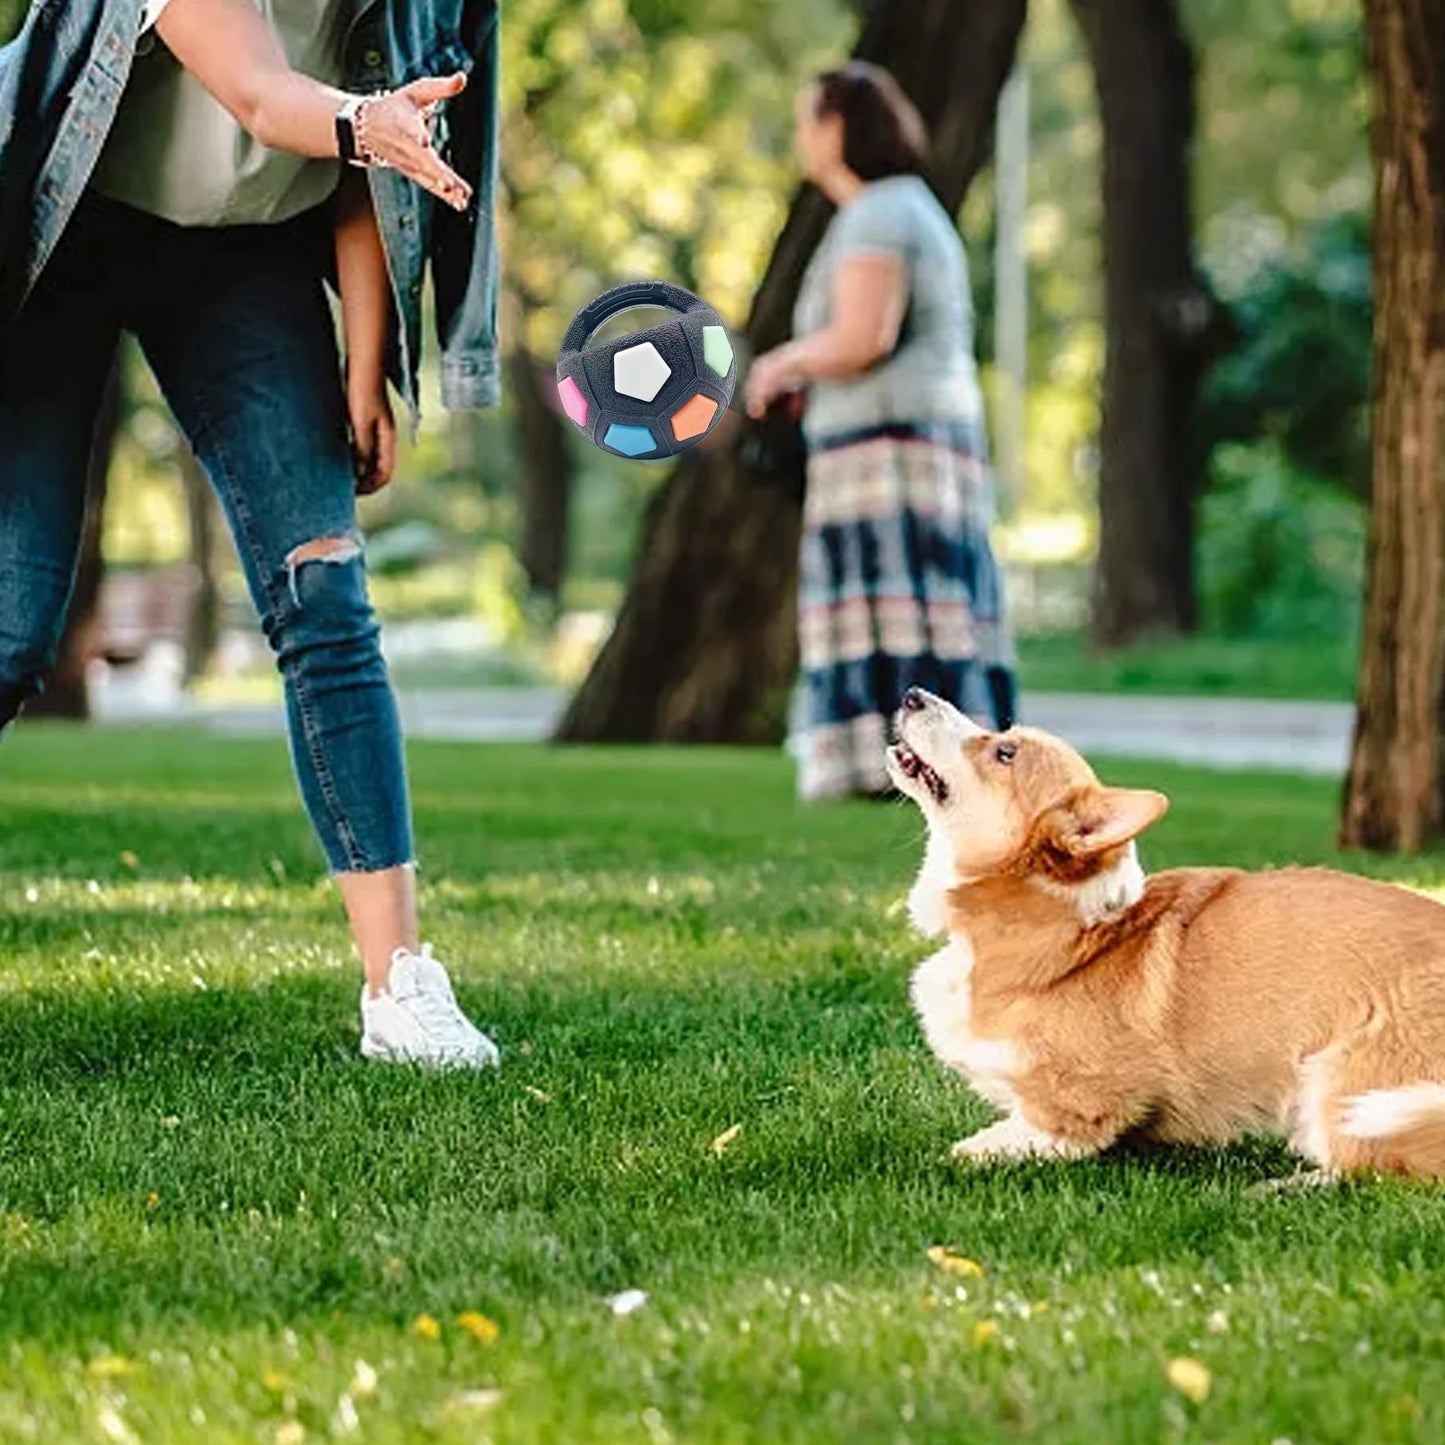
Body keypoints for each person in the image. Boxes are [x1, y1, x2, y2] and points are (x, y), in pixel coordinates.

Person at [0, 0, 503, 1067]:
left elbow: (380, 135)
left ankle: (400, 987)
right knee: (12, 617)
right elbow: (268, 97)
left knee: (324, 590)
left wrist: (367, 357)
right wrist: (370, 125)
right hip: (65, 220)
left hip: (241, 257)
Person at [745, 61, 1018, 802]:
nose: (802, 135)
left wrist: (779, 365)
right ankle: (927, 768)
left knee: (897, 610)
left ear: (838, 128)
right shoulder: (895, 209)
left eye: (809, 119)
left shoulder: (879, 213)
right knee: (925, 610)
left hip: (892, 449)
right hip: (894, 435)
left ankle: (893, 769)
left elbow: (864, 335)